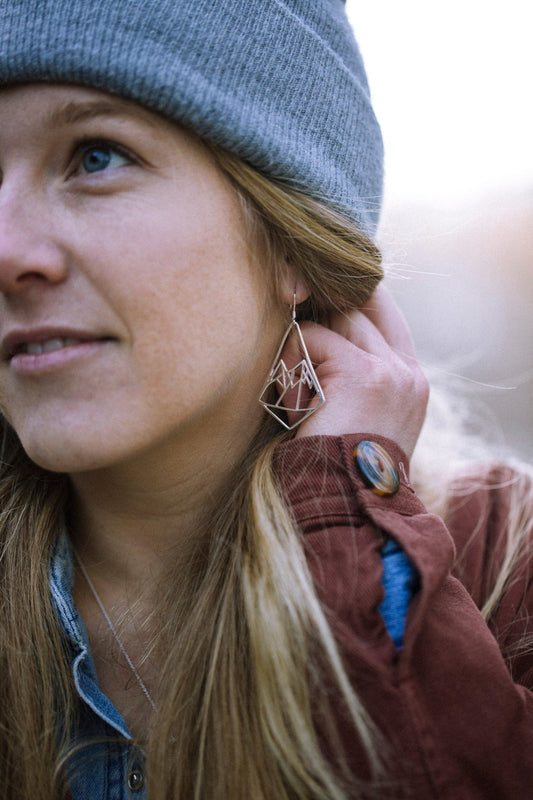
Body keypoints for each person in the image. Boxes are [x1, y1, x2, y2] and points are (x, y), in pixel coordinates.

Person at [0, 1, 533, 799]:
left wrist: (347, 524)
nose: (9, 250)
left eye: (97, 156)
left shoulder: (503, 563)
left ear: (290, 242)